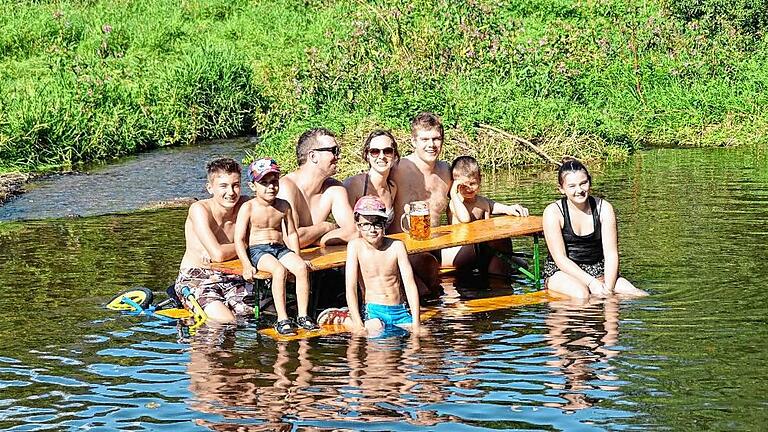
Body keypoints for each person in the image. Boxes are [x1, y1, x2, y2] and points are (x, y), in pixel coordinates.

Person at [542, 158, 648, 299]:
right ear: (561, 189)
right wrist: (591, 283)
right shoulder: (553, 212)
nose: (579, 190)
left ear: (590, 182)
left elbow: (611, 254)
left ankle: (609, 320)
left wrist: (608, 290)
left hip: (598, 269)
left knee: (637, 294)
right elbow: (560, 259)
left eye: (583, 183)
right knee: (582, 295)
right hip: (562, 271)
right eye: (572, 186)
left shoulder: (604, 208)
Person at [234, 158, 318, 336]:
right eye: (264, 183)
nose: (270, 187)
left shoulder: (283, 205)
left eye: (274, 182)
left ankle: (303, 315)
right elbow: (239, 239)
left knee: (301, 268)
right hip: (259, 250)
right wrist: (246, 264)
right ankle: (282, 318)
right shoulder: (248, 208)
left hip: (280, 248)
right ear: (252, 186)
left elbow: (292, 233)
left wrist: (297, 255)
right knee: (279, 271)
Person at [319, 196, 421, 336]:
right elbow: (351, 287)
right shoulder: (355, 247)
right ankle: (346, 319)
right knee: (379, 342)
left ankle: (350, 319)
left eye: (377, 224)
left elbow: (410, 285)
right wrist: (359, 324)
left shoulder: (397, 246)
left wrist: (416, 323)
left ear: (384, 224)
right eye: (366, 225)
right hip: (374, 311)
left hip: (400, 311)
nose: (372, 230)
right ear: (358, 226)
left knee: (421, 342)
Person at [173, 158, 253, 324]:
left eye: (235, 185)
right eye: (223, 186)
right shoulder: (200, 209)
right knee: (226, 321)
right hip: (197, 276)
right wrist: (245, 244)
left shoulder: (247, 205)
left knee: (258, 314)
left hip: (234, 277)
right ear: (210, 188)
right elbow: (218, 255)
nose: (231, 192)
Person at [390, 112, 452, 295]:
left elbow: (471, 196)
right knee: (427, 280)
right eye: (424, 139)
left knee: (498, 249)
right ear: (413, 141)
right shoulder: (397, 168)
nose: (431, 145)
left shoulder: (446, 171)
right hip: (403, 250)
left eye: (436, 139)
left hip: (436, 247)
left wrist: (504, 208)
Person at [444, 155, 530, 275]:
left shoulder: (482, 201)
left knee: (523, 264)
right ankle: (494, 277)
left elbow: (495, 206)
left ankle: (497, 278)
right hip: (465, 251)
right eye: (463, 186)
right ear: (455, 185)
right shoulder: (455, 202)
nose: (469, 189)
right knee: (502, 246)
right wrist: (453, 193)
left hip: (485, 249)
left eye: (473, 183)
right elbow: (465, 219)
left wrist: (510, 209)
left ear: (480, 179)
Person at [277, 128, 358, 248]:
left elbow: (355, 231)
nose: (338, 156)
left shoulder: (334, 189)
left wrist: (318, 241)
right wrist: (326, 227)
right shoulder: (286, 187)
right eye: (334, 150)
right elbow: (292, 240)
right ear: (313, 156)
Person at [343, 129, 400, 228]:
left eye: (388, 151)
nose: (382, 156)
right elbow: (345, 228)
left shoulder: (392, 188)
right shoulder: (354, 185)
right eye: (375, 151)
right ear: (367, 155)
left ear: (394, 155)